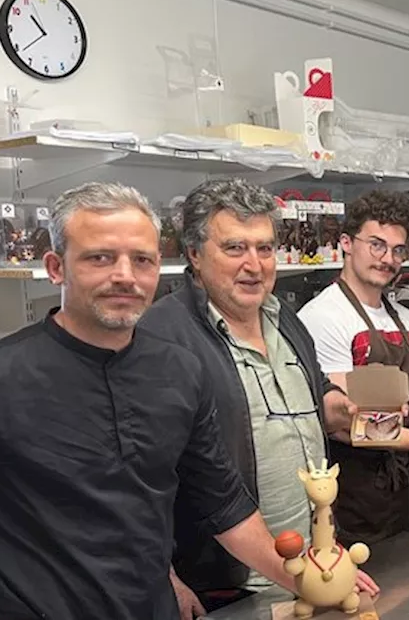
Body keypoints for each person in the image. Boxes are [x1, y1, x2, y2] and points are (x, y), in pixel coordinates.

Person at [0, 183, 293, 619]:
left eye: (142, 260)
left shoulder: (180, 372)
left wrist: (307, 580)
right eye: (100, 257)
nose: (125, 276)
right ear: (56, 267)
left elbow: (224, 504)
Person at [139, 178, 377, 616]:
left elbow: (311, 395)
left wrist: (339, 407)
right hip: (224, 587)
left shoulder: (284, 316)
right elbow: (138, 475)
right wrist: (163, 578)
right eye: (235, 248)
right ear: (194, 253)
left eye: (265, 248)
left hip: (308, 573)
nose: (254, 264)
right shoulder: (163, 338)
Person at [299, 190, 409, 546]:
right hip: (347, 493)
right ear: (346, 243)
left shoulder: (403, 315)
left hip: (395, 488)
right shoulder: (324, 317)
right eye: (376, 245)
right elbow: (346, 422)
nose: (387, 259)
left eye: (397, 250)